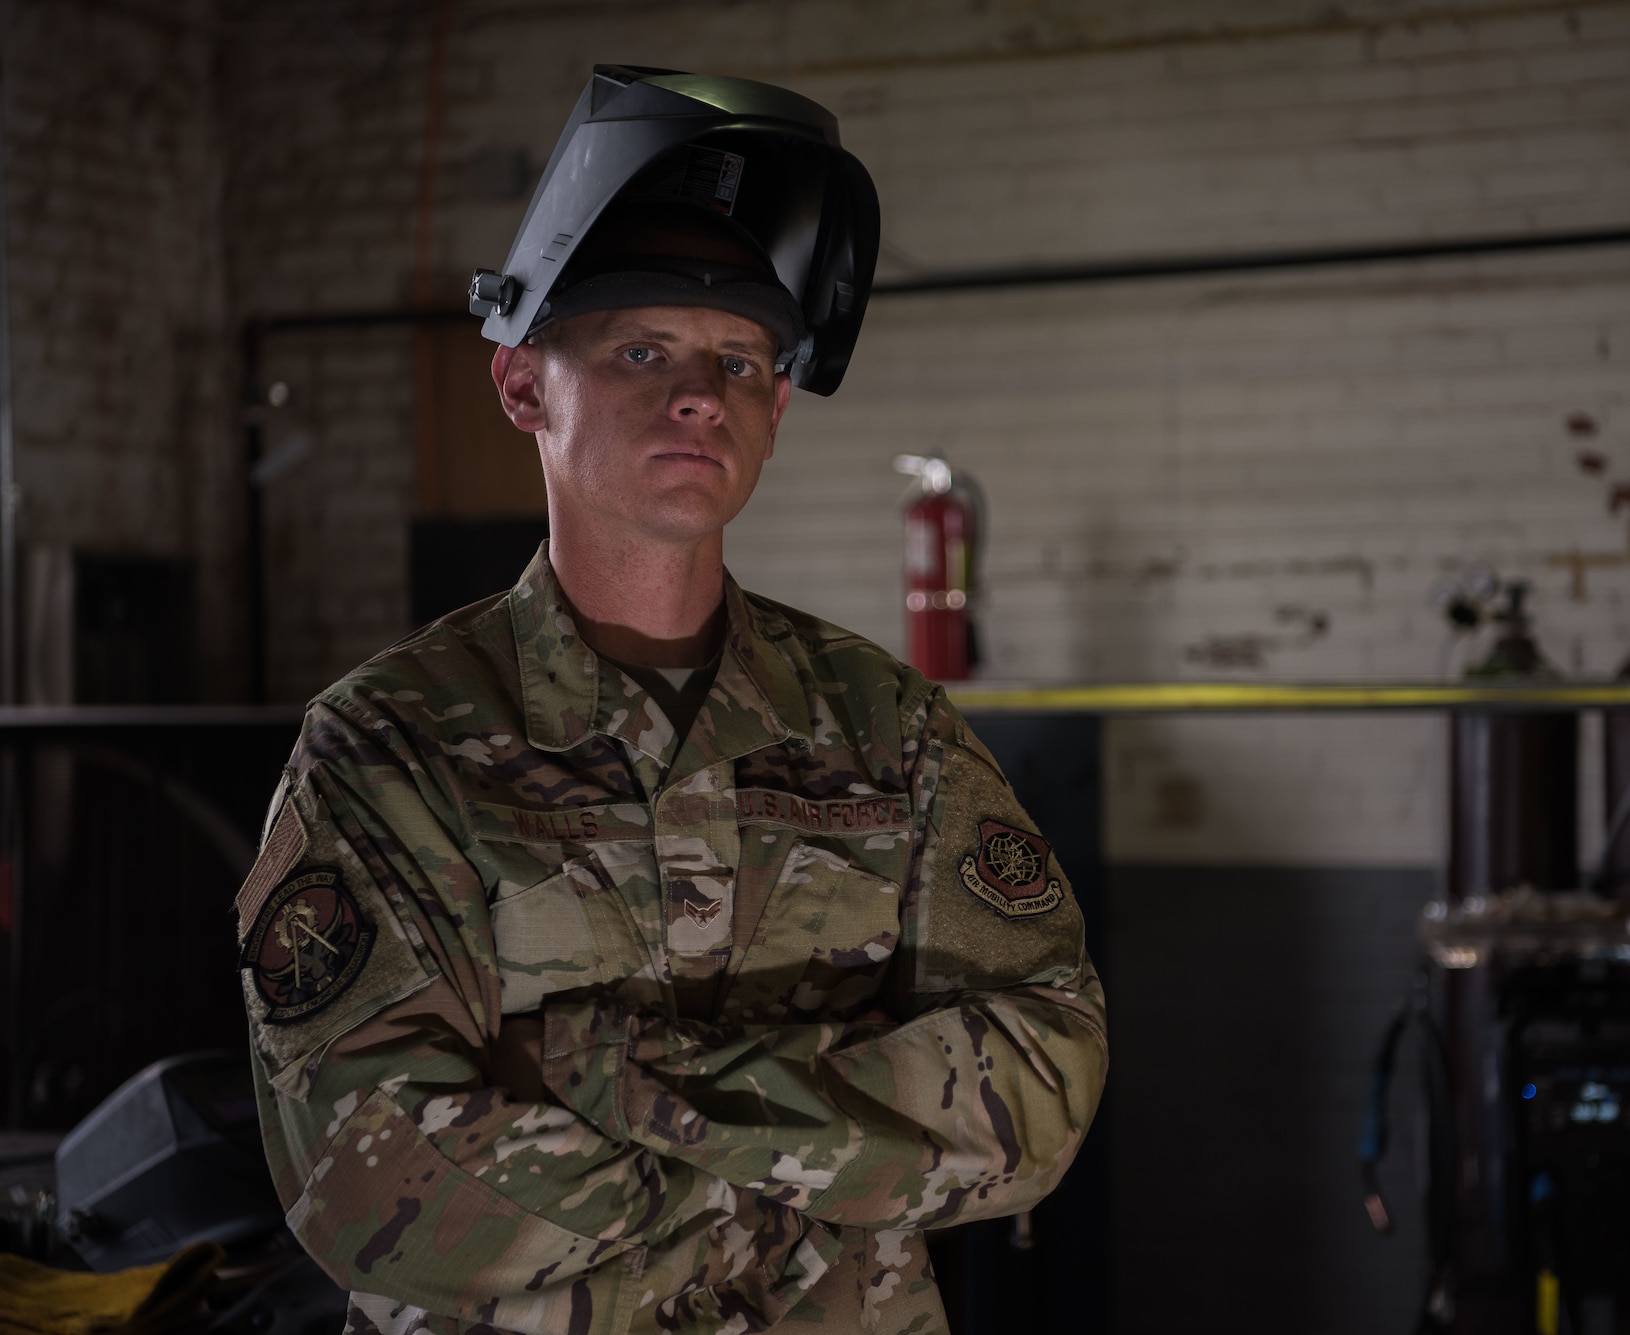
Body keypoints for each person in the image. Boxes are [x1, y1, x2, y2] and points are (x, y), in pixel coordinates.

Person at [233, 66, 1107, 1335]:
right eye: (643, 350)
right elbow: (378, 1184)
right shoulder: (392, 745)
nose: (701, 392)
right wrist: (816, 1187)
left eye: (742, 360)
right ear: (524, 385)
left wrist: (612, 1082)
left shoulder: (888, 729)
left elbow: (1044, 1083)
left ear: (775, 410)